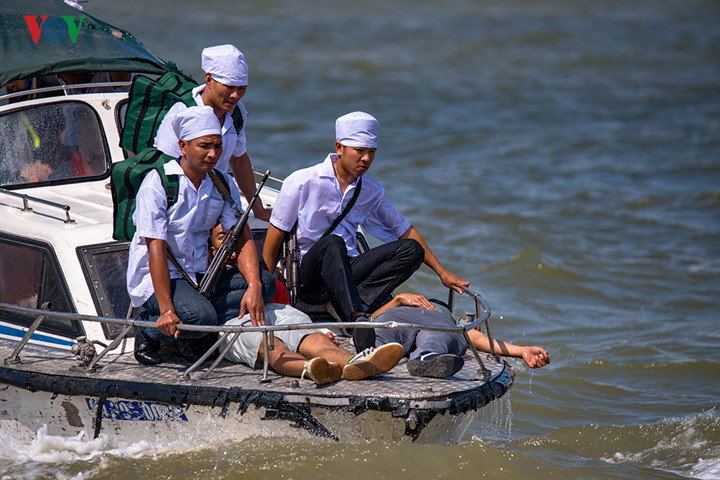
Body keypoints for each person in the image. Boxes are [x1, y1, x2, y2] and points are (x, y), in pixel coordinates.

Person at [262, 111, 469, 351]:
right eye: (359, 151)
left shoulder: (371, 190)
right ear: (339, 148)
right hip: (306, 282)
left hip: (346, 277)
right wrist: (265, 289)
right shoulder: (301, 181)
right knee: (333, 243)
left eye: (371, 152)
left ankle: (357, 310)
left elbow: (404, 230)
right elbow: (275, 234)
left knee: (412, 250)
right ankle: (358, 320)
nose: (366, 159)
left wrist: (442, 273)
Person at [127, 105, 277, 365]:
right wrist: (166, 309)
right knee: (202, 317)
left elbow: (240, 237)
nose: (213, 154)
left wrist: (253, 286)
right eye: (204, 146)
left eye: (218, 146)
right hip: (158, 276)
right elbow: (155, 249)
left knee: (266, 284)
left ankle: (191, 331)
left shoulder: (222, 182)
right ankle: (148, 326)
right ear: (183, 146)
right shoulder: (158, 183)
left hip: (199, 273)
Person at [207, 225, 404, 383]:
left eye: (236, 236)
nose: (231, 242)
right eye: (223, 237)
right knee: (271, 347)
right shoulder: (203, 274)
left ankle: (355, 363)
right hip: (235, 321)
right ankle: (310, 368)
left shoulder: (260, 274)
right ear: (211, 249)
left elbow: (283, 301)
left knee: (315, 340)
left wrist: (321, 330)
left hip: (274, 312)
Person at [154, 44, 271, 221]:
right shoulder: (182, 112)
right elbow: (164, 169)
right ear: (209, 79)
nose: (235, 96)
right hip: (183, 206)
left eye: (241, 88)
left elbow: (239, 160)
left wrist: (259, 210)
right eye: (229, 87)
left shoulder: (237, 113)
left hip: (218, 197)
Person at [368, 293, 551, 378]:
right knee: (438, 338)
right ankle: (426, 358)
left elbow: (373, 318)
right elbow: (478, 339)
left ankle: (370, 351)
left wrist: (398, 300)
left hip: (397, 317)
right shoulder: (447, 317)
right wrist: (521, 351)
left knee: (384, 329)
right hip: (435, 322)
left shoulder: (404, 305)